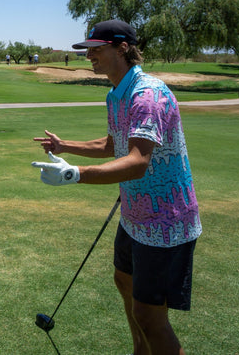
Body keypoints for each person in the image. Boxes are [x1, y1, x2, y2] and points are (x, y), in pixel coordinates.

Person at [32, 20, 201, 355]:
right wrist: (66, 146)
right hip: (134, 217)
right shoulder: (116, 94)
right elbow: (114, 145)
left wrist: (74, 174)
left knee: (150, 318)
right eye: (88, 50)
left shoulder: (147, 95)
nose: (89, 56)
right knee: (124, 281)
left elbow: (137, 161)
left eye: (97, 49)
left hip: (165, 222)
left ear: (123, 48)